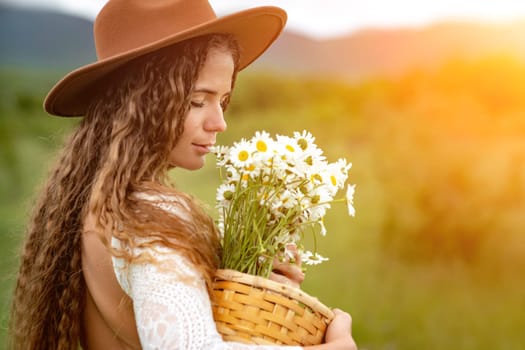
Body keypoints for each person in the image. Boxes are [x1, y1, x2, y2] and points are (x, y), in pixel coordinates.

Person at [9, 0, 358, 349]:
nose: (219, 123)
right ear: (141, 100)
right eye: (196, 101)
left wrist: (251, 287)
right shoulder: (150, 217)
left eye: (222, 101)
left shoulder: (98, 201)